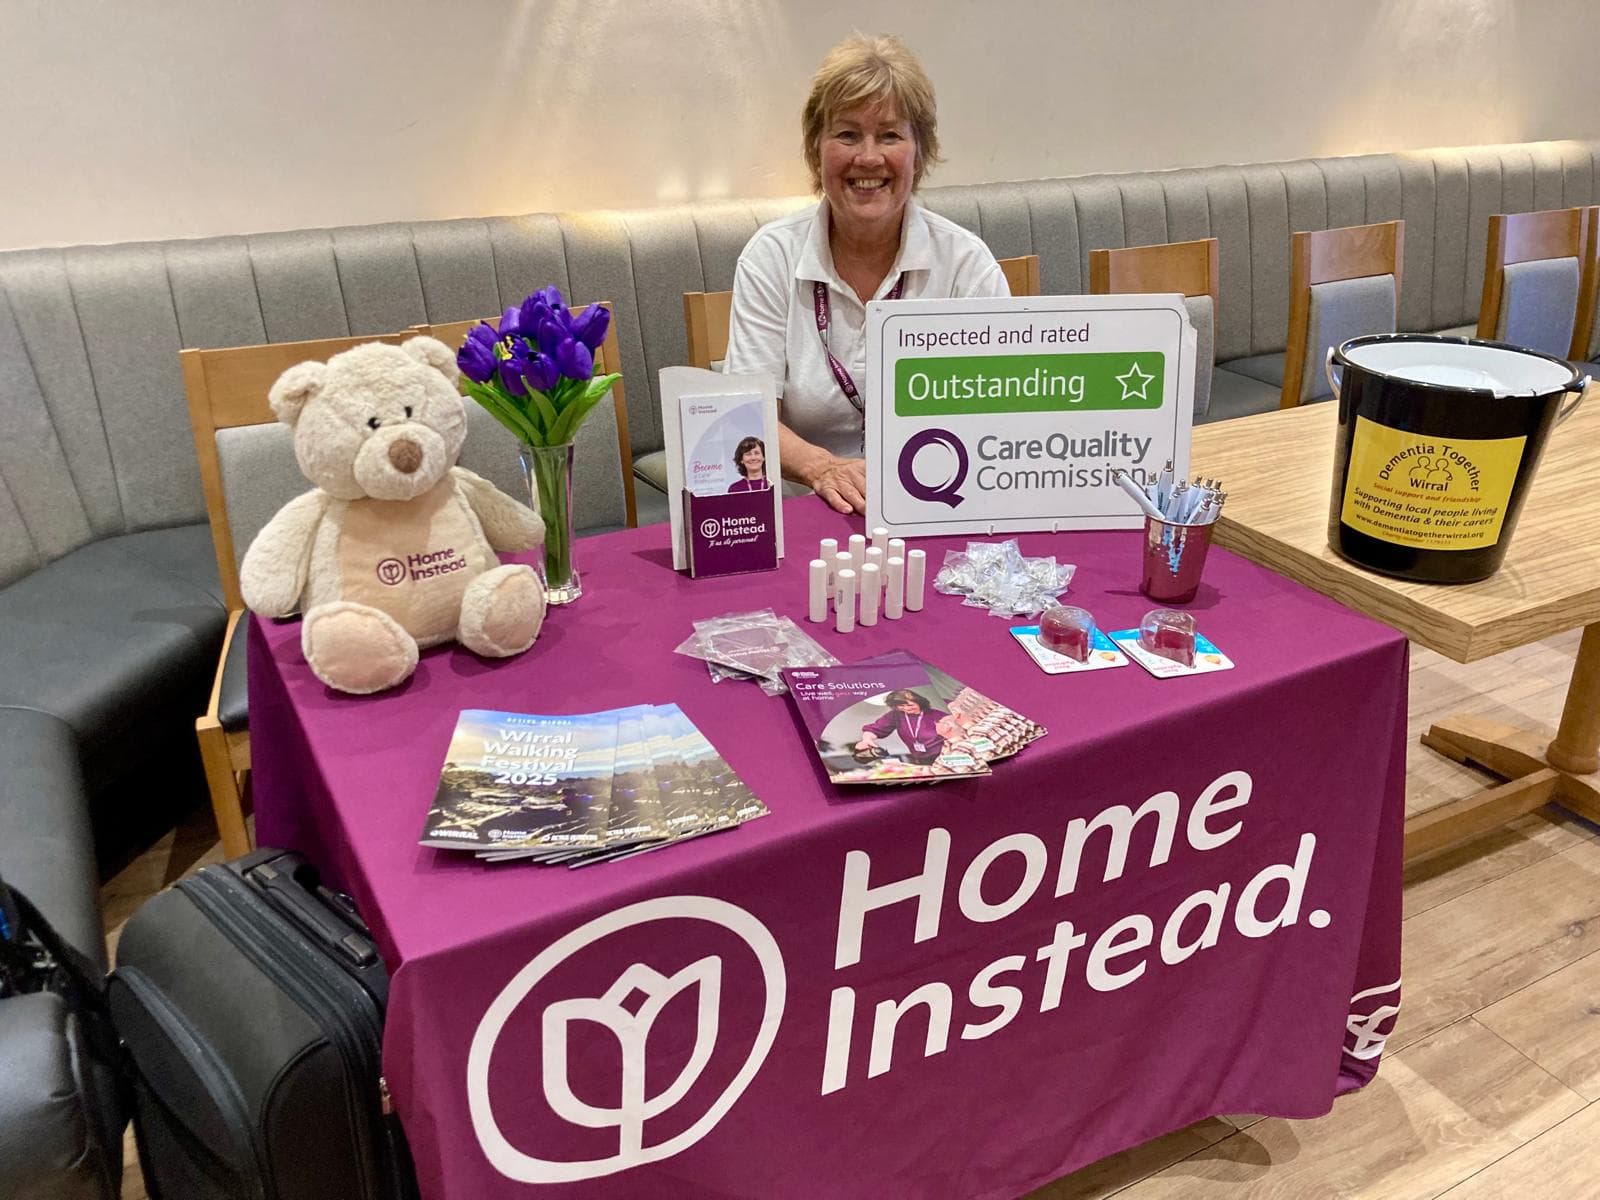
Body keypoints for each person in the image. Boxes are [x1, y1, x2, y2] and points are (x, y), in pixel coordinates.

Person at [724, 34, 1009, 515]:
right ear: (817, 149)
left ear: (920, 151)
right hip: (803, 510)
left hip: (939, 505)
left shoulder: (967, 265)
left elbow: (1002, 416)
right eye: (848, 134)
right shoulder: (771, 256)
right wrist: (823, 468)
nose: (869, 157)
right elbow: (747, 417)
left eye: (891, 135)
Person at [856, 689, 953, 765]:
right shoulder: (896, 715)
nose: (906, 708)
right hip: (920, 759)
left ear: (920, 702)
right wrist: (866, 739)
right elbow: (876, 729)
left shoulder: (937, 715)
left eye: (910, 705)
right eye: (901, 705)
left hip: (945, 757)